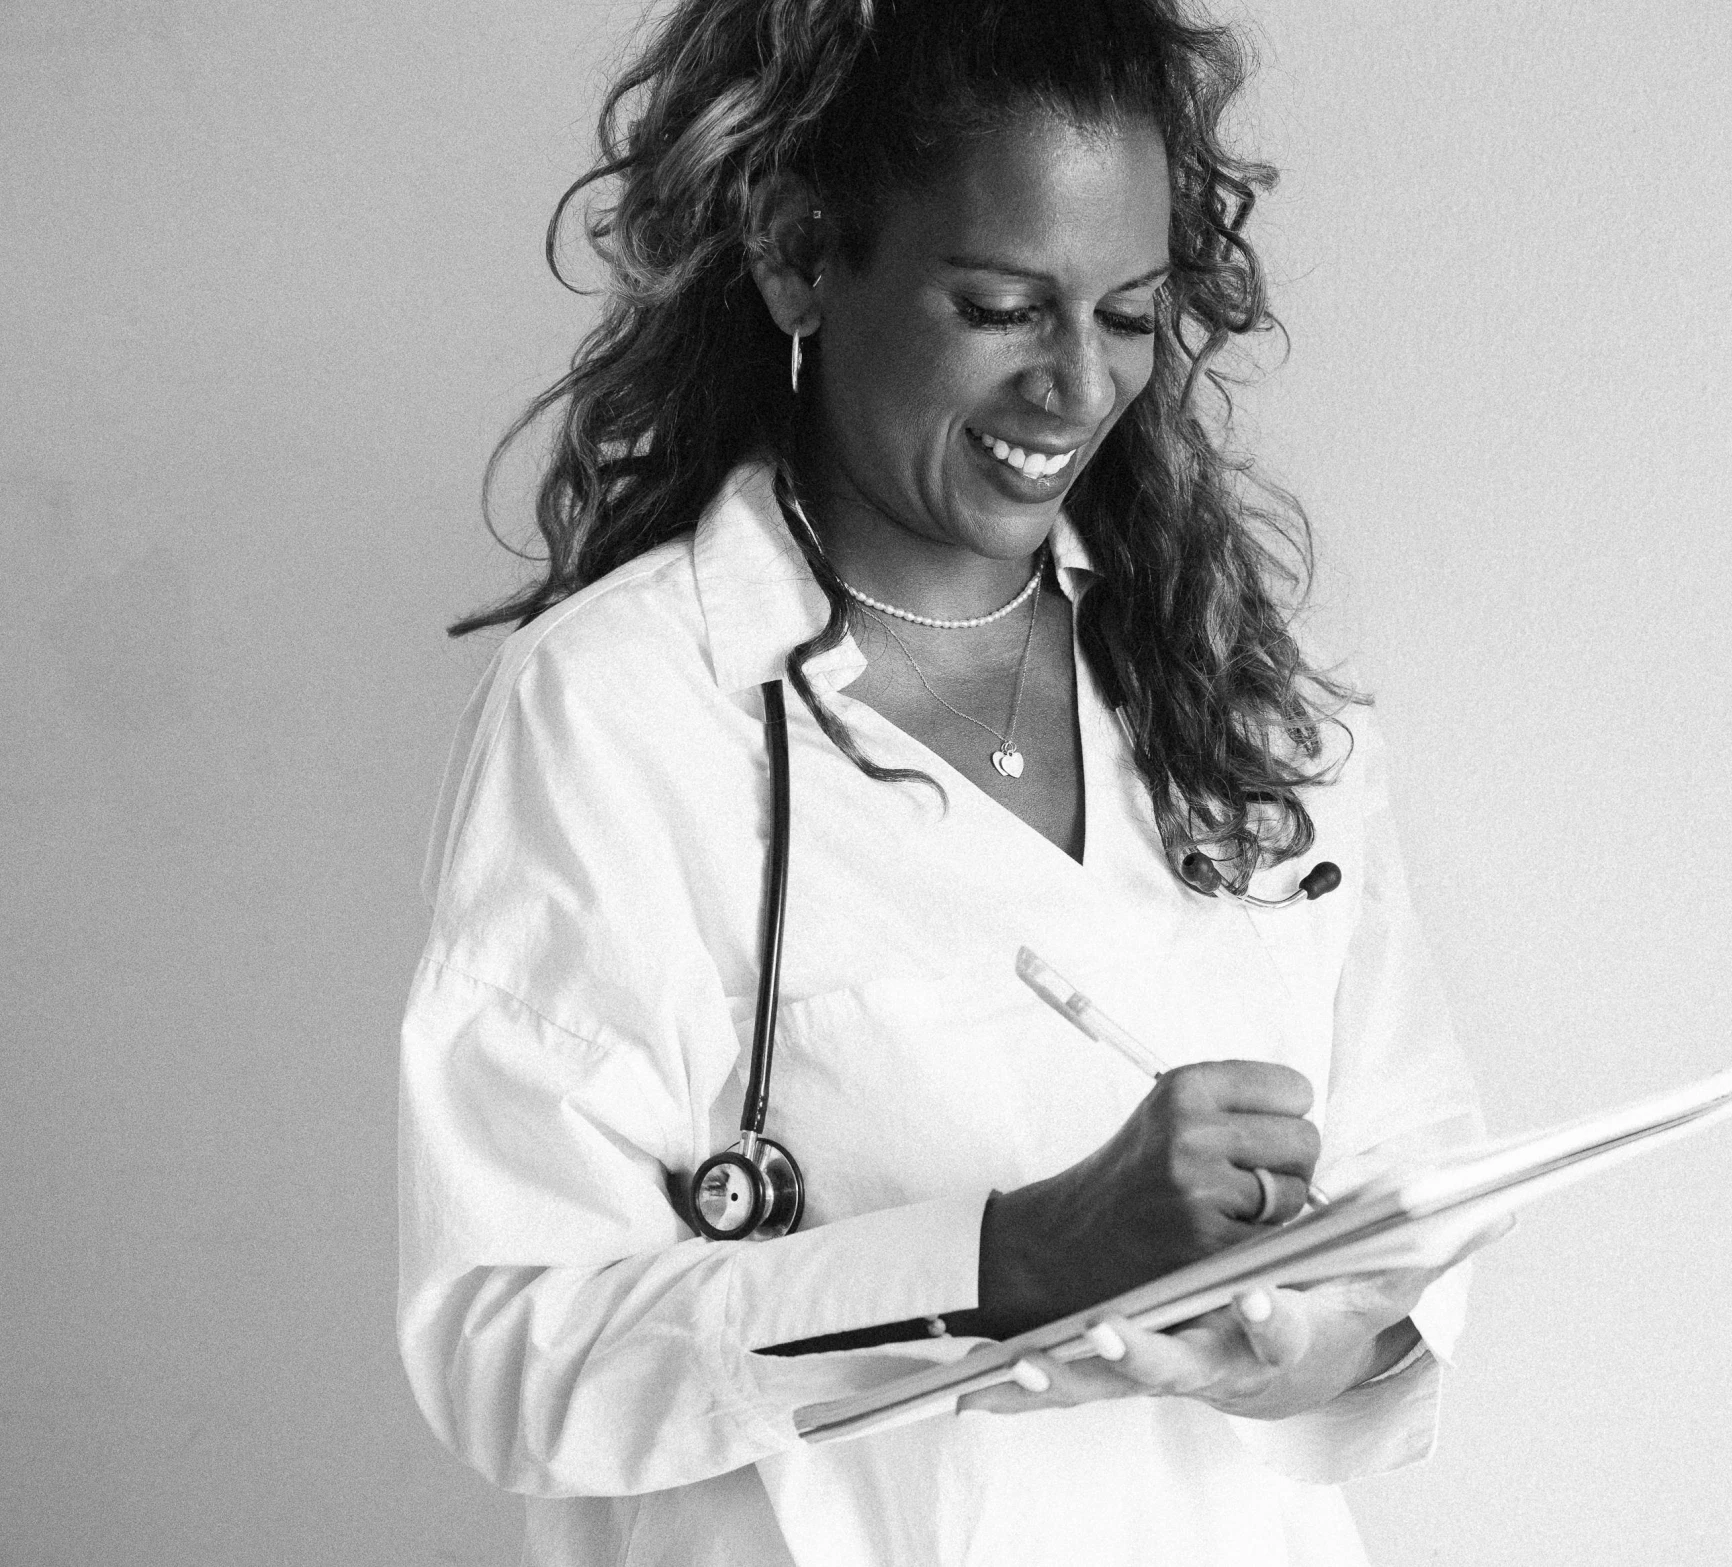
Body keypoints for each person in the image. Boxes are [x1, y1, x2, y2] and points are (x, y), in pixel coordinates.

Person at [398, 1, 1495, 1561]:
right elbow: (514, 1350)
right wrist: (1012, 1255)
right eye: (1001, 305)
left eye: (1127, 314)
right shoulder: (624, 710)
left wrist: (1324, 1333)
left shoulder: (1236, 691)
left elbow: (1414, 1183)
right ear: (798, 250)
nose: (1075, 388)